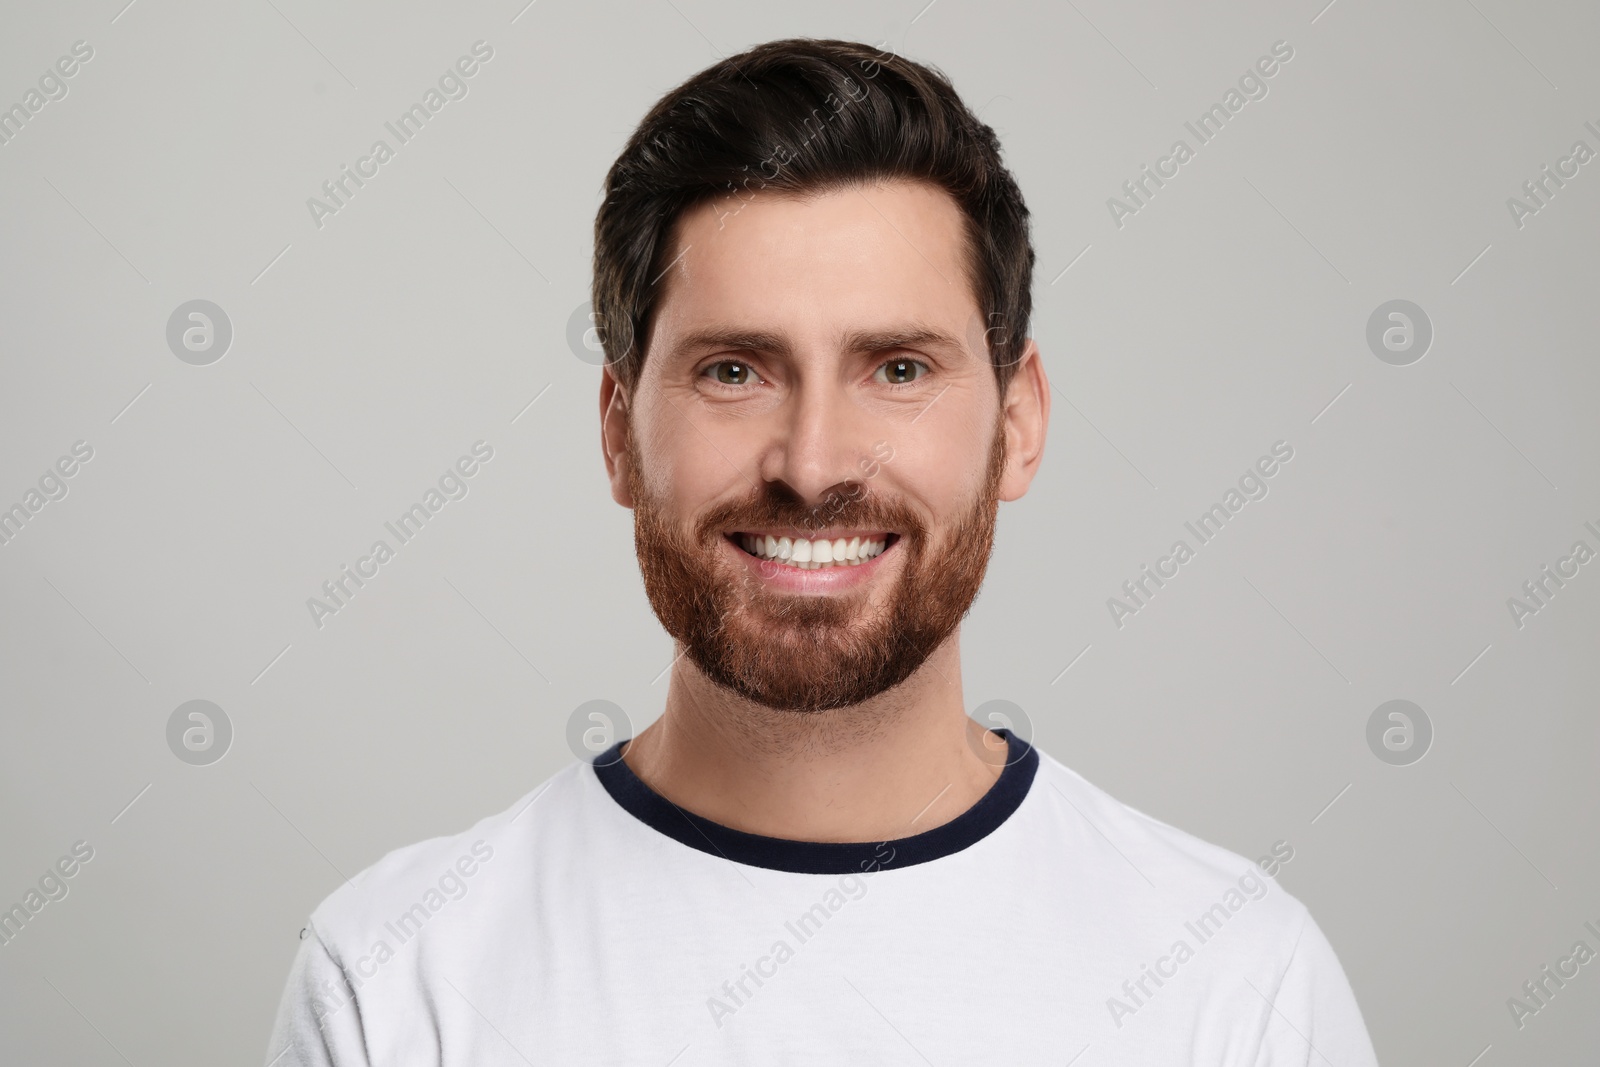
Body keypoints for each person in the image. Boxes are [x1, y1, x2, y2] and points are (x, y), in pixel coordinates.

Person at [267, 37, 1379, 1066]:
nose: (812, 462)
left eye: (896, 368)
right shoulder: (395, 981)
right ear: (617, 430)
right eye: (734, 370)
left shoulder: (1236, 987)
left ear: (1018, 422)